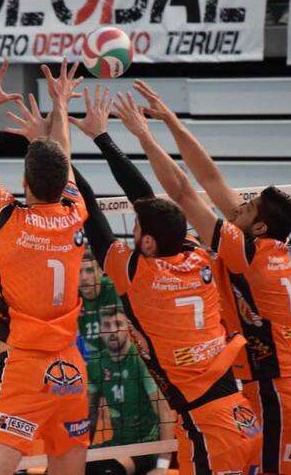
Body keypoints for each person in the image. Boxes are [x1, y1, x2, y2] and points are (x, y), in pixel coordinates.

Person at [69, 84, 261, 474]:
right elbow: (143, 197)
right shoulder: (194, 254)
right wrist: (102, 137)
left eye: (137, 228)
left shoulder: (137, 274)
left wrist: (60, 148)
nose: (132, 231)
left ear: (149, 243)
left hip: (213, 427)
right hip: (229, 413)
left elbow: (89, 212)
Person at [130, 80, 291, 474]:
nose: (238, 206)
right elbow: (211, 179)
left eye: (248, 207)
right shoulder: (268, 243)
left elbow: (184, 193)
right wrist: (171, 120)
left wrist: (142, 134)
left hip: (274, 392)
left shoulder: (249, 255)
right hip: (263, 387)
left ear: (258, 226)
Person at [0, 55, 89, 475]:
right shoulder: (75, 212)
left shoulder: (8, 219)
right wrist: (61, 105)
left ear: (23, 183)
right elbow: (63, 157)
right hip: (70, 369)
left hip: (23, 367)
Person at [86, 303, 174, 475]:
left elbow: (165, 413)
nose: (113, 331)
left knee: (108, 471)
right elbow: (91, 416)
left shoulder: (140, 360)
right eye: (107, 325)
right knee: (60, 468)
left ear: (127, 327)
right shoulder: (97, 364)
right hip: (117, 445)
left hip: (146, 447)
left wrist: (162, 466)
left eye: (118, 324)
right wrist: (80, 452)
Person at [79, 248, 118, 359]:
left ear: (101, 271)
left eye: (90, 270)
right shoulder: (70, 297)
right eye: (79, 271)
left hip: (116, 357)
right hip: (85, 359)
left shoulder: (115, 290)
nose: (84, 278)